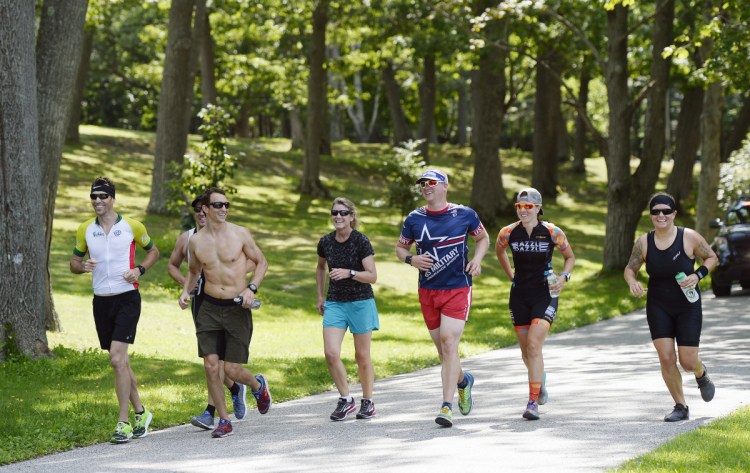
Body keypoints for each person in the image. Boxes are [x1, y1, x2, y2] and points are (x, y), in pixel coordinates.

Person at [395, 168, 489, 427]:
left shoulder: (464, 214)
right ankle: (463, 381)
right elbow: (400, 247)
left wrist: (477, 260)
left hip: (458, 287)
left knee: (449, 344)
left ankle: (446, 407)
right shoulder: (414, 218)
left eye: (431, 182)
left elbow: (482, 238)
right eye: (422, 183)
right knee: (444, 352)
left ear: (445, 186)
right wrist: (411, 259)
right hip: (428, 290)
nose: (426, 186)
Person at [70, 177, 160, 443]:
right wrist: (81, 266)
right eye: (93, 197)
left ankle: (123, 422)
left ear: (112, 199)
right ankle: (141, 412)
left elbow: (153, 251)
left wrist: (139, 269)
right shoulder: (85, 229)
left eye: (103, 197)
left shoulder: (132, 226)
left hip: (127, 299)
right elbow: (74, 262)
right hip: (101, 302)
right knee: (122, 362)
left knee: (117, 360)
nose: (98, 201)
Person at [178, 187, 271, 438]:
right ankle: (223, 419)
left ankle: (256, 384)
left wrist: (252, 288)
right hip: (208, 307)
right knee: (210, 365)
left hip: (237, 307)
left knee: (231, 369)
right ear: (205, 209)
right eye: (218, 205)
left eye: (226, 205)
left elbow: (262, 262)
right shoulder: (196, 240)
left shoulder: (240, 234)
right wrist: (186, 292)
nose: (224, 209)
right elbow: (194, 272)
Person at [624, 192, 718, 422]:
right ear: (651, 215)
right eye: (656, 211)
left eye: (666, 211)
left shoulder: (689, 237)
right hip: (658, 305)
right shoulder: (644, 242)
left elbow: (712, 258)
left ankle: (701, 372)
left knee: (687, 361)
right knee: (666, 358)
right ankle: (680, 406)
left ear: (674, 213)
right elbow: (630, 269)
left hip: (688, 305)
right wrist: (633, 282)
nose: (661, 215)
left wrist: (697, 276)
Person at [495, 188, 575, 421]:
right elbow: (499, 251)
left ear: (538, 208)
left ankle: (532, 402)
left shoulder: (552, 231)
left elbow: (570, 257)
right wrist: (510, 274)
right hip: (519, 294)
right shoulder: (508, 232)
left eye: (528, 206)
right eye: (519, 206)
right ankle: (541, 381)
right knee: (526, 352)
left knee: (533, 346)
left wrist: (564, 277)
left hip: (545, 293)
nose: (523, 210)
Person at [316, 197, 379, 421]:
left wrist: (349, 272)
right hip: (335, 302)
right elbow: (321, 267)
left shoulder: (361, 241)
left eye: (343, 213)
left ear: (352, 216)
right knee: (331, 353)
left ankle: (368, 401)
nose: (338, 217)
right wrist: (320, 296)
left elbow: (372, 276)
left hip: (361, 302)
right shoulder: (325, 241)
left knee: (362, 356)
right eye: (334, 213)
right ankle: (346, 399)